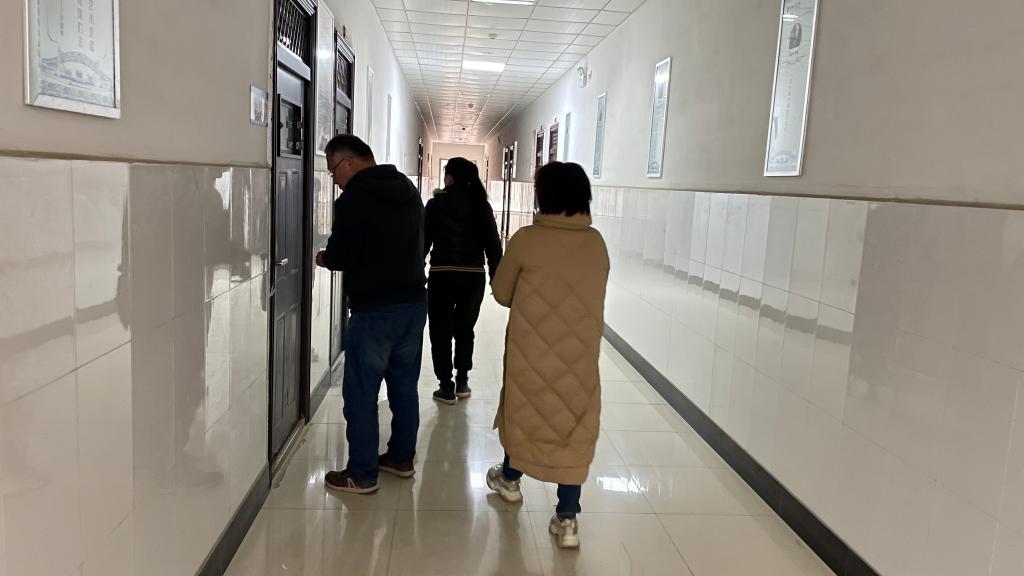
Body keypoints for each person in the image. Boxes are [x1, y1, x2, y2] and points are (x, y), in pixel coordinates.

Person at [485, 162, 610, 549]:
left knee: (526, 410)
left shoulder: (526, 240)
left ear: (543, 196)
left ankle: (510, 480)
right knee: (572, 419)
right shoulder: (596, 243)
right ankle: (567, 518)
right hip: (579, 354)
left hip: (531, 350)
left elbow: (502, 293)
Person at [315, 135, 427, 494]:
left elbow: (341, 255)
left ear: (349, 162)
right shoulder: (407, 188)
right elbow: (421, 241)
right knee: (404, 388)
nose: (335, 179)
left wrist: (323, 257)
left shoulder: (352, 200)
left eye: (333, 170)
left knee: (361, 393)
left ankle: (362, 474)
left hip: (374, 310)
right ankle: (401, 458)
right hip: (413, 304)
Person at [423, 157, 503, 405]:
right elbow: (494, 246)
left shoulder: (435, 204)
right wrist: (495, 278)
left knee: (440, 331)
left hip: (442, 274)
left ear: (450, 177)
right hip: (472, 277)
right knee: (465, 329)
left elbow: (422, 242)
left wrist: (415, 272)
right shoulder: (481, 205)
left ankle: (445, 386)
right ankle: (463, 380)